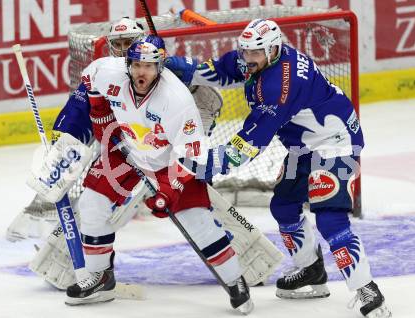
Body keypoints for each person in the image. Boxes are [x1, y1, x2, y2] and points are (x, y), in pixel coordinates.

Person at [165, 19, 392, 318]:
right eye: (245, 51)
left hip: (335, 144)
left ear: (273, 49)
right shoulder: (261, 58)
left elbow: (250, 141)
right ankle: (310, 269)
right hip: (303, 146)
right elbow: (222, 70)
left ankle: (368, 290)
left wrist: (209, 164)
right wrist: (180, 66)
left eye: (254, 53)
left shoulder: (280, 86)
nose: (248, 59)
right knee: (284, 206)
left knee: (330, 219)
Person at [62, 35, 253, 314]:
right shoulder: (109, 71)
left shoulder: (176, 100)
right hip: (125, 147)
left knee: (196, 221)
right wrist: (101, 115)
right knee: (92, 202)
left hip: (170, 161)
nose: (142, 72)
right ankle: (100, 277)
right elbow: (91, 79)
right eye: (137, 64)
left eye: (149, 66)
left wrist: (168, 190)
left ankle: (235, 280)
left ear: (161, 66)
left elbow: (190, 155)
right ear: (128, 64)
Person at [6, 17, 145, 242]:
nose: (122, 50)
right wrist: (64, 139)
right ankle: (43, 210)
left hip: (143, 138)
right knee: (75, 162)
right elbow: (79, 109)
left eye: (128, 42)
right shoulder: (101, 71)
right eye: (117, 44)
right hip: (110, 134)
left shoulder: (155, 69)